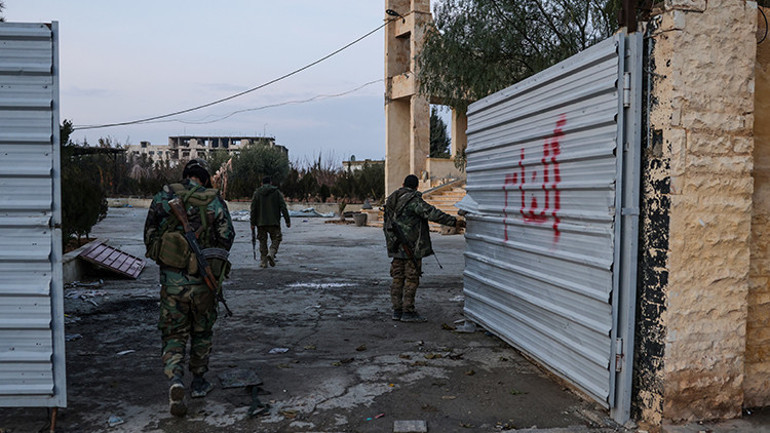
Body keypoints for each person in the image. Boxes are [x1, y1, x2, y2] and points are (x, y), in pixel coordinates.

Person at [143, 158, 235, 417]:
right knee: (202, 331)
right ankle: (199, 382)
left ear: (185, 176)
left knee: (173, 334)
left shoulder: (163, 196)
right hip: (204, 283)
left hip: (172, 283)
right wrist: (202, 258)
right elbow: (227, 238)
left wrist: (172, 255)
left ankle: (175, 380)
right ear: (205, 178)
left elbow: (149, 237)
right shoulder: (214, 200)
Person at [383, 174, 465, 322]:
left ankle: (397, 310)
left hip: (396, 245)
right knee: (411, 279)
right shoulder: (413, 201)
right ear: (416, 187)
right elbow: (432, 213)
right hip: (411, 247)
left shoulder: (391, 200)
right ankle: (408, 311)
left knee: (397, 278)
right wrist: (454, 222)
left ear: (403, 184)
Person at [250, 176, 291, 268]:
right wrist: (287, 220)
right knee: (277, 239)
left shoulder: (257, 193)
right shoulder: (276, 192)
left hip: (260, 223)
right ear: (271, 183)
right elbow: (283, 207)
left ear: (262, 183)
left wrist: (252, 223)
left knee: (262, 241)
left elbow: (253, 209)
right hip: (274, 222)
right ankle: (271, 252)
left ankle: (264, 261)